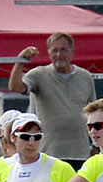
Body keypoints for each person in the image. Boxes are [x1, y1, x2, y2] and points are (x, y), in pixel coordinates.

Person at [9, 32, 98, 161]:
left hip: (81, 153)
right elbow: (15, 86)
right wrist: (20, 61)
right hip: (48, 155)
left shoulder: (85, 77)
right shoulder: (38, 75)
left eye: (63, 50)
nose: (58, 55)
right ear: (49, 53)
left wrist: (96, 146)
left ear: (72, 52)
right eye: (54, 50)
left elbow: (93, 114)